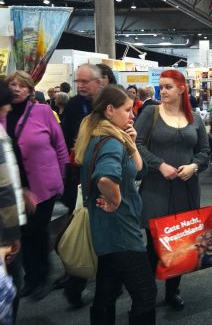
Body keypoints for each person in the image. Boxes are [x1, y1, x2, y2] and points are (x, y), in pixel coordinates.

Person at [74, 85, 156, 324]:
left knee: (106, 292)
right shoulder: (110, 142)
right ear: (110, 110)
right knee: (145, 293)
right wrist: (117, 199)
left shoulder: (106, 136)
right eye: (128, 110)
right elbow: (105, 178)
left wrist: (131, 142)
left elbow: (140, 170)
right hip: (121, 230)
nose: (132, 115)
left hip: (109, 229)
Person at [135, 69, 210, 311]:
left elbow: (204, 152)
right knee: (154, 246)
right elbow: (135, 144)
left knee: (180, 243)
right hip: (156, 189)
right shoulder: (150, 113)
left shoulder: (195, 118)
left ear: (181, 89)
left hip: (186, 189)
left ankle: (172, 291)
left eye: (168, 86)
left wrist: (194, 166)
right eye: (161, 86)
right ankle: (144, 294)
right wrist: (159, 165)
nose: (162, 91)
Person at [4, 71, 69, 301]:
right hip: (14, 186)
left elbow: (60, 145)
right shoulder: (3, 114)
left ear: (31, 89)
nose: (16, 88)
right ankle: (31, 277)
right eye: (12, 84)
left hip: (43, 185)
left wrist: (63, 177)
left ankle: (41, 277)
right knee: (21, 232)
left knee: (36, 231)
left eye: (22, 85)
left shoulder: (43, 112)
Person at [60, 63, 102, 307]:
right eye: (78, 81)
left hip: (104, 176)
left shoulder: (108, 103)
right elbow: (65, 139)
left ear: (99, 82)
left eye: (86, 81)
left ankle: (110, 282)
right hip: (80, 179)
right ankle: (74, 285)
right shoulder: (76, 105)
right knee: (81, 230)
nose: (81, 86)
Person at [0, 80, 25, 324]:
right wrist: (12, 234)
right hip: (2, 230)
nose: (9, 108)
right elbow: (4, 191)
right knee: (10, 283)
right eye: (6, 102)